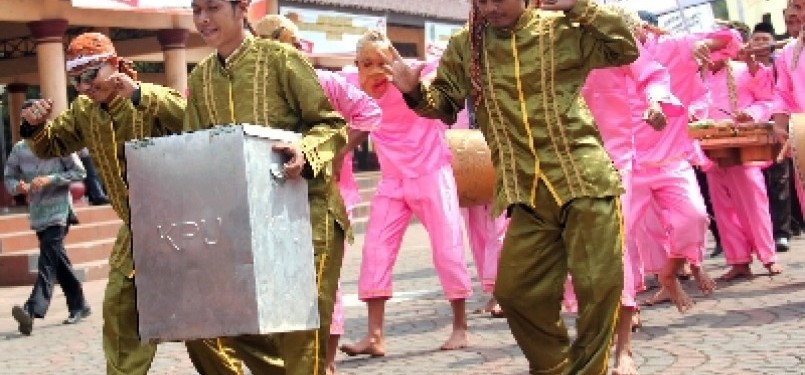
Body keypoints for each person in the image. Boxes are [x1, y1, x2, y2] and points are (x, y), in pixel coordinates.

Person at [385, 0, 638, 372]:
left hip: (583, 178)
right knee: (515, 293)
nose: (489, 8)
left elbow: (625, 48)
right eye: (480, 1)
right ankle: (557, 368)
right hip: (525, 191)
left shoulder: (560, 29)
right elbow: (443, 105)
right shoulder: (467, 45)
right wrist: (413, 90)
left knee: (598, 287)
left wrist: (581, 6)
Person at [17, 32, 238, 375]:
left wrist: (138, 94)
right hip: (137, 232)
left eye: (92, 75)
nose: (86, 86)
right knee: (120, 310)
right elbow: (51, 145)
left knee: (201, 330)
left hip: (185, 229)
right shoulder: (84, 111)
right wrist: (33, 126)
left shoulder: (152, 97)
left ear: (116, 65)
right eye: (77, 80)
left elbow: (198, 123)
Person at [182, 2, 348, 375]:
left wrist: (305, 150)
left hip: (306, 216)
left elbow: (332, 125)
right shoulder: (200, 78)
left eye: (213, 7)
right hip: (243, 227)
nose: (203, 19)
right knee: (215, 326)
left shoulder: (281, 60)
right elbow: (193, 151)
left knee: (301, 332)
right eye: (196, 10)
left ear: (241, 8)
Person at [253, 14, 383, 375]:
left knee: (326, 280)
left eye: (287, 47)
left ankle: (326, 358)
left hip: (330, 191)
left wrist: (337, 151)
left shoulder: (324, 80)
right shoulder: (259, 86)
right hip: (277, 194)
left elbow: (369, 112)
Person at [338, 30, 473, 358]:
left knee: (447, 248)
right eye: (366, 63)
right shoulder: (353, 84)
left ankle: (460, 327)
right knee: (375, 252)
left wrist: (417, 73)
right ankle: (374, 336)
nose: (375, 70)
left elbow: (452, 71)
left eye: (381, 62)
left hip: (431, 172)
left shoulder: (414, 72)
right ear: (356, 65)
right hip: (392, 180)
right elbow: (343, 107)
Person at [700, 29, 781, 280]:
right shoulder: (697, 78)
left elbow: (768, 101)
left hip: (743, 145)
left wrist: (751, 116)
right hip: (711, 148)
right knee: (723, 206)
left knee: (753, 203)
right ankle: (738, 260)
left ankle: (768, 258)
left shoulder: (743, 70)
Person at [4, 122, 90, 336]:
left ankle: (31, 310)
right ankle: (79, 305)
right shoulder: (19, 149)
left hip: (60, 212)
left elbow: (79, 172)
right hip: (38, 213)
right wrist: (18, 187)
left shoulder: (59, 144)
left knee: (47, 261)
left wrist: (51, 179)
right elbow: (9, 176)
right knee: (57, 261)